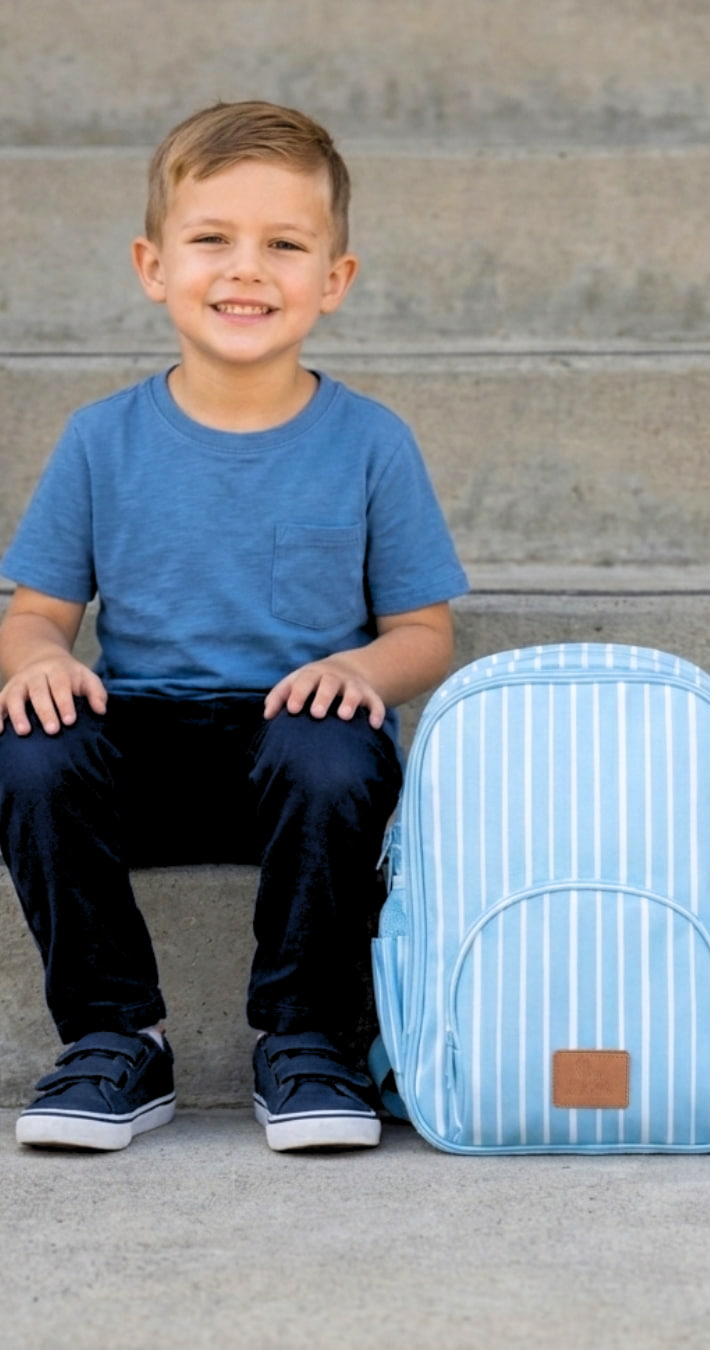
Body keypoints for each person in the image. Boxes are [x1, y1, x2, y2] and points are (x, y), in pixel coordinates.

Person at [0, 100, 468, 1153]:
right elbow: (36, 616)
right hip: (142, 754)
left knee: (338, 750)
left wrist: (358, 666)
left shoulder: (370, 443)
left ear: (334, 280)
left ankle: (306, 1038)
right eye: (212, 240)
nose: (245, 270)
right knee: (27, 752)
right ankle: (116, 1035)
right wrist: (34, 662)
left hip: (295, 761)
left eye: (284, 245)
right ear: (152, 265)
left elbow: (425, 635)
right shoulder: (100, 440)